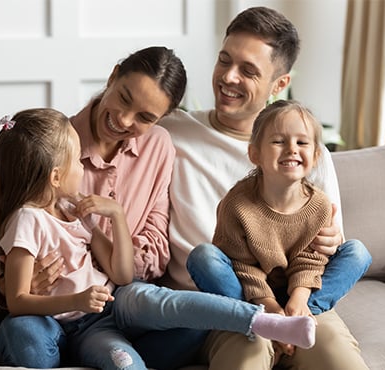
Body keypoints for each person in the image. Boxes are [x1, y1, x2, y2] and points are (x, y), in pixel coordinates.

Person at [0, 107, 317, 370]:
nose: (82, 169)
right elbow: (17, 302)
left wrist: (114, 215)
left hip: (114, 305)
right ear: (56, 177)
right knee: (124, 362)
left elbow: (122, 275)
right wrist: (76, 301)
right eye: (76, 162)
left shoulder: (75, 210)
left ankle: (263, 322)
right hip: (83, 326)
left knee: (165, 302)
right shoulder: (27, 220)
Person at [158, 6, 372, 370]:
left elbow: (326, 248)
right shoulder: (171, 132)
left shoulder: (306, 153)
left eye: (248, 70)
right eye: (224, 60)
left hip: (297, 301)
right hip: (220, 303)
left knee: (341, 362)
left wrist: (330, 241)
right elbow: (102, 127)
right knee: (244, 359)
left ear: (279, 84)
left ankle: (287, 324)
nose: (228, 77)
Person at [205, 99, 369, 361]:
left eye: (302, 143)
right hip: (252, 292)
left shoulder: (319, 204)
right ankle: (273, 321)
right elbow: (241, 266)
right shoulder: (236, 204)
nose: (292, 149)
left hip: (300, 290)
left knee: (358, 252)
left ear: (315, 156)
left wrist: (299, 298)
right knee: (204, 257)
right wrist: (269, 306)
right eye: (279, 141)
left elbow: (312, 259)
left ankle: (300, 315)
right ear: (255, 154)